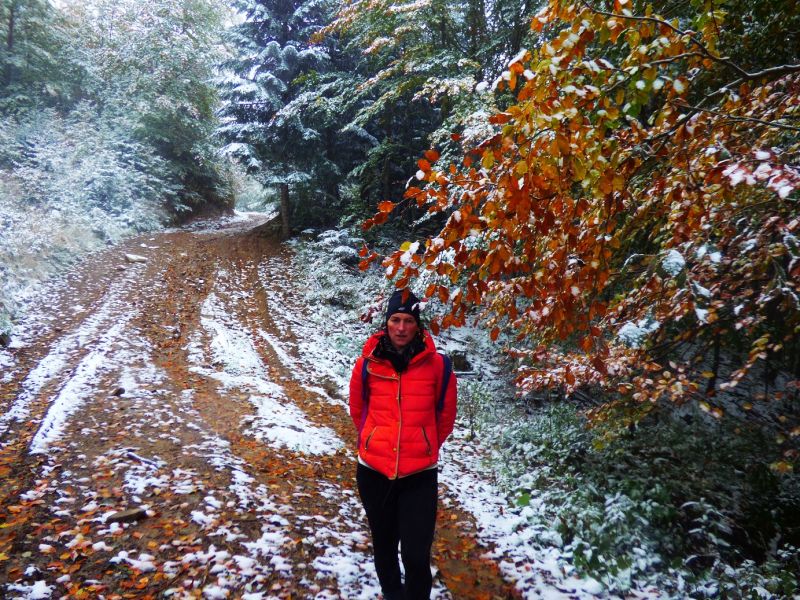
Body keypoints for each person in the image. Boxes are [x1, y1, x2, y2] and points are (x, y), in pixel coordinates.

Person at [349, 289, 458, 600]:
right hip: (374, 471)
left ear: (417, 325)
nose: (401, 327)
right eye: (395, 320)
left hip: (419, 475)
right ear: (386, 323)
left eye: (408, 321)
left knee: (415, 554)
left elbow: (445, 416)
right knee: (384, 545)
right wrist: (375, 440)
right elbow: (358, 410)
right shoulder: (367, 363)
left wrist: (424, 445)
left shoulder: (438, 366)